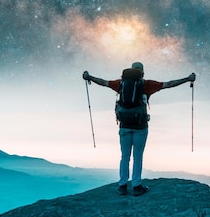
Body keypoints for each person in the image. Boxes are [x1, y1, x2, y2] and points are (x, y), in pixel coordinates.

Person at [83, 62, 196, 196]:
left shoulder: (121, 83)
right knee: (138, 156)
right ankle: (136, 186)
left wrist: (89, 77)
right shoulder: (147, 84)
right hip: (140, 127)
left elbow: (104, 82)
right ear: (142, 72)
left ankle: (122, 185)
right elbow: (169, 84)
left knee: (124, 156)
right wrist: (187, 79)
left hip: (124, 126)